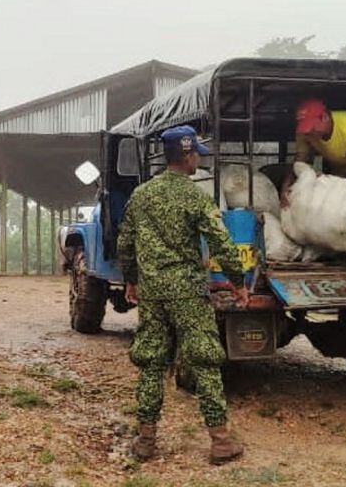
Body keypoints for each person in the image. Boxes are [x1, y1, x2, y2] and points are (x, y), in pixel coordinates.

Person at [118, 125, 250, 465]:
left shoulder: (142, 195)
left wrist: (131, 280)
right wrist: (238, 281)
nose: (198, 162)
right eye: (197, 156)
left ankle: (146, 440)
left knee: (151, 361)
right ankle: (220, 440)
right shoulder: (195, 196)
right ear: (188, 156)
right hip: (188, 292)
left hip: (152, 292)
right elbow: (220, 240)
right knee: (204, 359)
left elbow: (125, 242)